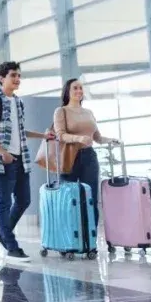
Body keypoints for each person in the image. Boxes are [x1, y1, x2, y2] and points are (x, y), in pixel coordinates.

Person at [0, 61, 53, 262]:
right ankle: (11, 247)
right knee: (4, 203)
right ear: (1, 78)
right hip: (3, 160)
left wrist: (43, 136)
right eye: (13, 75)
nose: (17, 79)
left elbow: (21, 131)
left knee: (24, 200)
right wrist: (2, 152)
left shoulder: (18, 102)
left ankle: (2, 234)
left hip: (21, 159)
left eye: (19, 76)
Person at [53, 78, 119, 228]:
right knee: (69, 199)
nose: (79, 91)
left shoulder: (89, 112)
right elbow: (60, 135)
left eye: (81, 88)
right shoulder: (61, 111)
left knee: (91, 198)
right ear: (67, 92)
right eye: (75, 88)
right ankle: (69, 237)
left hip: (89, 157)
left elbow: (97, 138)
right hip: (70, 158)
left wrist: (111, 140)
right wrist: (78, 138)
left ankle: (90, 238)